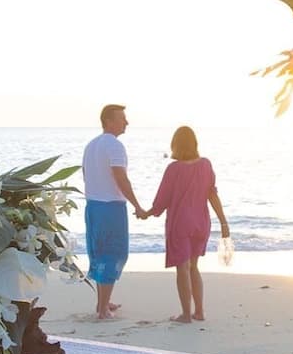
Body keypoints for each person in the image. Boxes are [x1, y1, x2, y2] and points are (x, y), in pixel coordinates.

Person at [141, 125, 229, 323]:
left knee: (182, 268)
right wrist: (223, 222)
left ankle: (186, 315)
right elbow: (212, 194)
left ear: (175, 145)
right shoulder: (205, 165)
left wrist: (147, 213)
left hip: (180, 223)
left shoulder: (174, 169)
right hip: (201, 223)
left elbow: (162, 200)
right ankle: (199, 311)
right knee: (194, 267)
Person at [82, 103, 143, 319]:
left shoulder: (92, 145)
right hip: (110, 207)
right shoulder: (114, 146)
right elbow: (120, 178)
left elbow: (87, 176)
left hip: (93, 206)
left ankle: (102, 303)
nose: (126, 122)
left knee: (98, 253)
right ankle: (103, 310)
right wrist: (137, 205)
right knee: (113, 254)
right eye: (122, 118)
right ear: (108, 121)